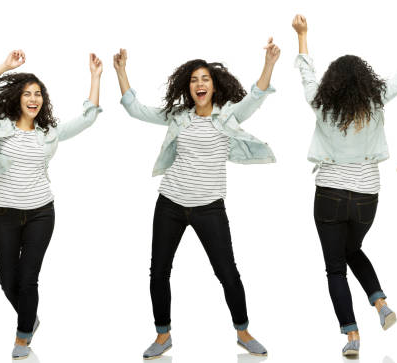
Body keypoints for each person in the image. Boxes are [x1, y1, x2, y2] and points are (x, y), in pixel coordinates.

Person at [113, 39, 279, 359]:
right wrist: (121, 71)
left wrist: (269, 63)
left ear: (214, 86)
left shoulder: (228, 115)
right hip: (170, 203)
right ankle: (163, 336)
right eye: (193, 80)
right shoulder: (178, 116)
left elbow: (256, 96)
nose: (199, 84)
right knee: (158, 271)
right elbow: (135, 109)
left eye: (205, 79)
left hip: (209, 208)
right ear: (188, 87)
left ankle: (242, 332)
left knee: (227, 272)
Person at [292, 12, 397, 356]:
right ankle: (380, 303)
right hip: (366, 197)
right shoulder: (375, 101)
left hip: (330, 194)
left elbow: (305, 71)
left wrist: (302, 34)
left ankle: (352, 337)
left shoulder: (321, 103)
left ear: (332, 82)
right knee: (352, 250)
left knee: (336, 266)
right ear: (365, 81)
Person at [0, 49, 103, 359]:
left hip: (41, 213)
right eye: (27, 93)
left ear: (43, 100)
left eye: (38, 94)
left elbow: (88, 117)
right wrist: (5, 65)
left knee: (28, 278)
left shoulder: (48, 133)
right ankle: (30, 316)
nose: (33, 98)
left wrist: (95, 78)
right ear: (17, 98)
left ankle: (23, 336)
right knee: (7, 280)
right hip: (4, 214)